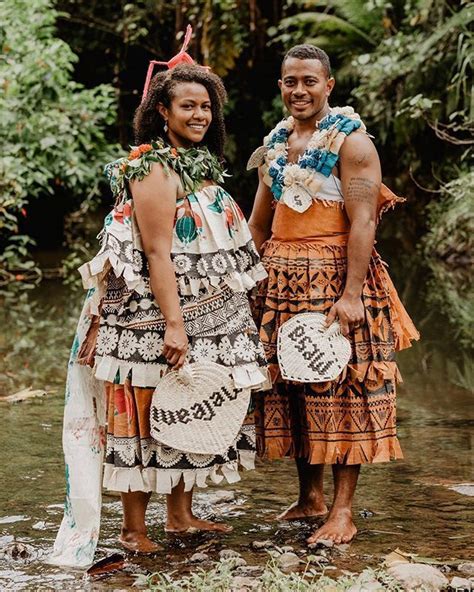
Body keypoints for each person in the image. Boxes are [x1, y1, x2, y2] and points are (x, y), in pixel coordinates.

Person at [50, 49, 268, 565]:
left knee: (191, 403)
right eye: (187, 106)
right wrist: (174, 324)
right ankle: (131, 528)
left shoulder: (197, 164)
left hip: (206, 311)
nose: (199, 115)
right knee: (149, 407)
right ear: (162, 113)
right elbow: (155, 252)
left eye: (206, 107)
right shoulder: (151, 168)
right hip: (154, 315)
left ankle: (180, 514)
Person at [248, 44, 419, 545]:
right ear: (280, 85)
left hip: (336, 276)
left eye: (308, 81)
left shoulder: (354, 144)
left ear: (329, 86)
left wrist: (350, 294)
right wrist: (243, 285)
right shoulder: (273, 147)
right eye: (289, 81)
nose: (298, 90)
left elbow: (363, 219)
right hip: (279, 276)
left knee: (343, 387)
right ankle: (310, 498)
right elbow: (259, 222)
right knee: (294, 385)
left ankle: (343, 510)